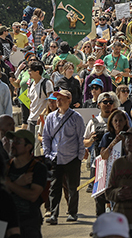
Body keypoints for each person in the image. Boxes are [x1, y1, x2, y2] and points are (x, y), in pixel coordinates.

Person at [41, 89, 84, 224]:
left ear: (69, 100)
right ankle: (54, 214)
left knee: (72, 187)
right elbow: (46, 137)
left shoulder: (76, 118)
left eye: (61, 99)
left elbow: (80, 139)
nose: (58, 101)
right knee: (54, 187)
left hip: (72, 158)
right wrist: (47, 154)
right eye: (57, 99)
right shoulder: (50, 117)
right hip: (55, 157)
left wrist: (79, 157)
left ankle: (72, 212)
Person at [6, 128, 48, 238]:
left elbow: (33, 195)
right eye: (12, 141)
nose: (13, 145)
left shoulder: (38, 168)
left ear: (28, 147)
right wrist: (18, 183)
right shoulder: (5, 167)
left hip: (28, 223)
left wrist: (10, 184)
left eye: (18, 142)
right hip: (4, 222)